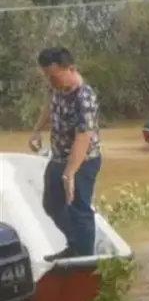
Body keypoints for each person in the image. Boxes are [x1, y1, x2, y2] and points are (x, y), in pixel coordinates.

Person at [28, 47, 102, 260]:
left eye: (54, 77)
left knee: (80, 210)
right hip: (59, 156)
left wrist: (69, 174)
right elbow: (50, 107)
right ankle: (75, 245)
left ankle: (86, 260)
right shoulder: (57, 86)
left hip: (83, 161)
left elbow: (84, 136)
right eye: (47, 77)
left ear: (71, 69)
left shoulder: (84, 96)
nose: (51, 82)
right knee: (51, 204)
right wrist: (36, 130)